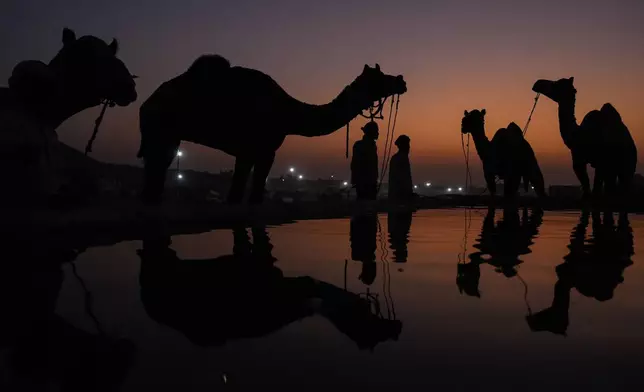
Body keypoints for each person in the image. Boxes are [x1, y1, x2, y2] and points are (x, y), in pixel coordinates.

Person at [351, 121, 379, 200]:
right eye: (376, 131)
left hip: (367, 183)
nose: (378, 133)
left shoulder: (368, 145)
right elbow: (356, 165)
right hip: (365, 183)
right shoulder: (364, 146)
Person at [388, 135, 414, 202]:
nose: (409, 147)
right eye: (407, 144)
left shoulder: (398, 157)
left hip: (398, 195)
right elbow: (402, 178)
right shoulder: (401, 158)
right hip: (400, 197)